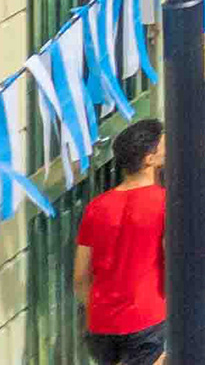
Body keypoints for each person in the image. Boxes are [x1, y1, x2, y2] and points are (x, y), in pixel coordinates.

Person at [72, 119, 166, 365]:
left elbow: (80, 276)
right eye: (164, 145)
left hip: (102, 320)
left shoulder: (96, 207)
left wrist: (95, 308)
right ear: (149, 159)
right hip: (148, 315)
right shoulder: (166, 202)